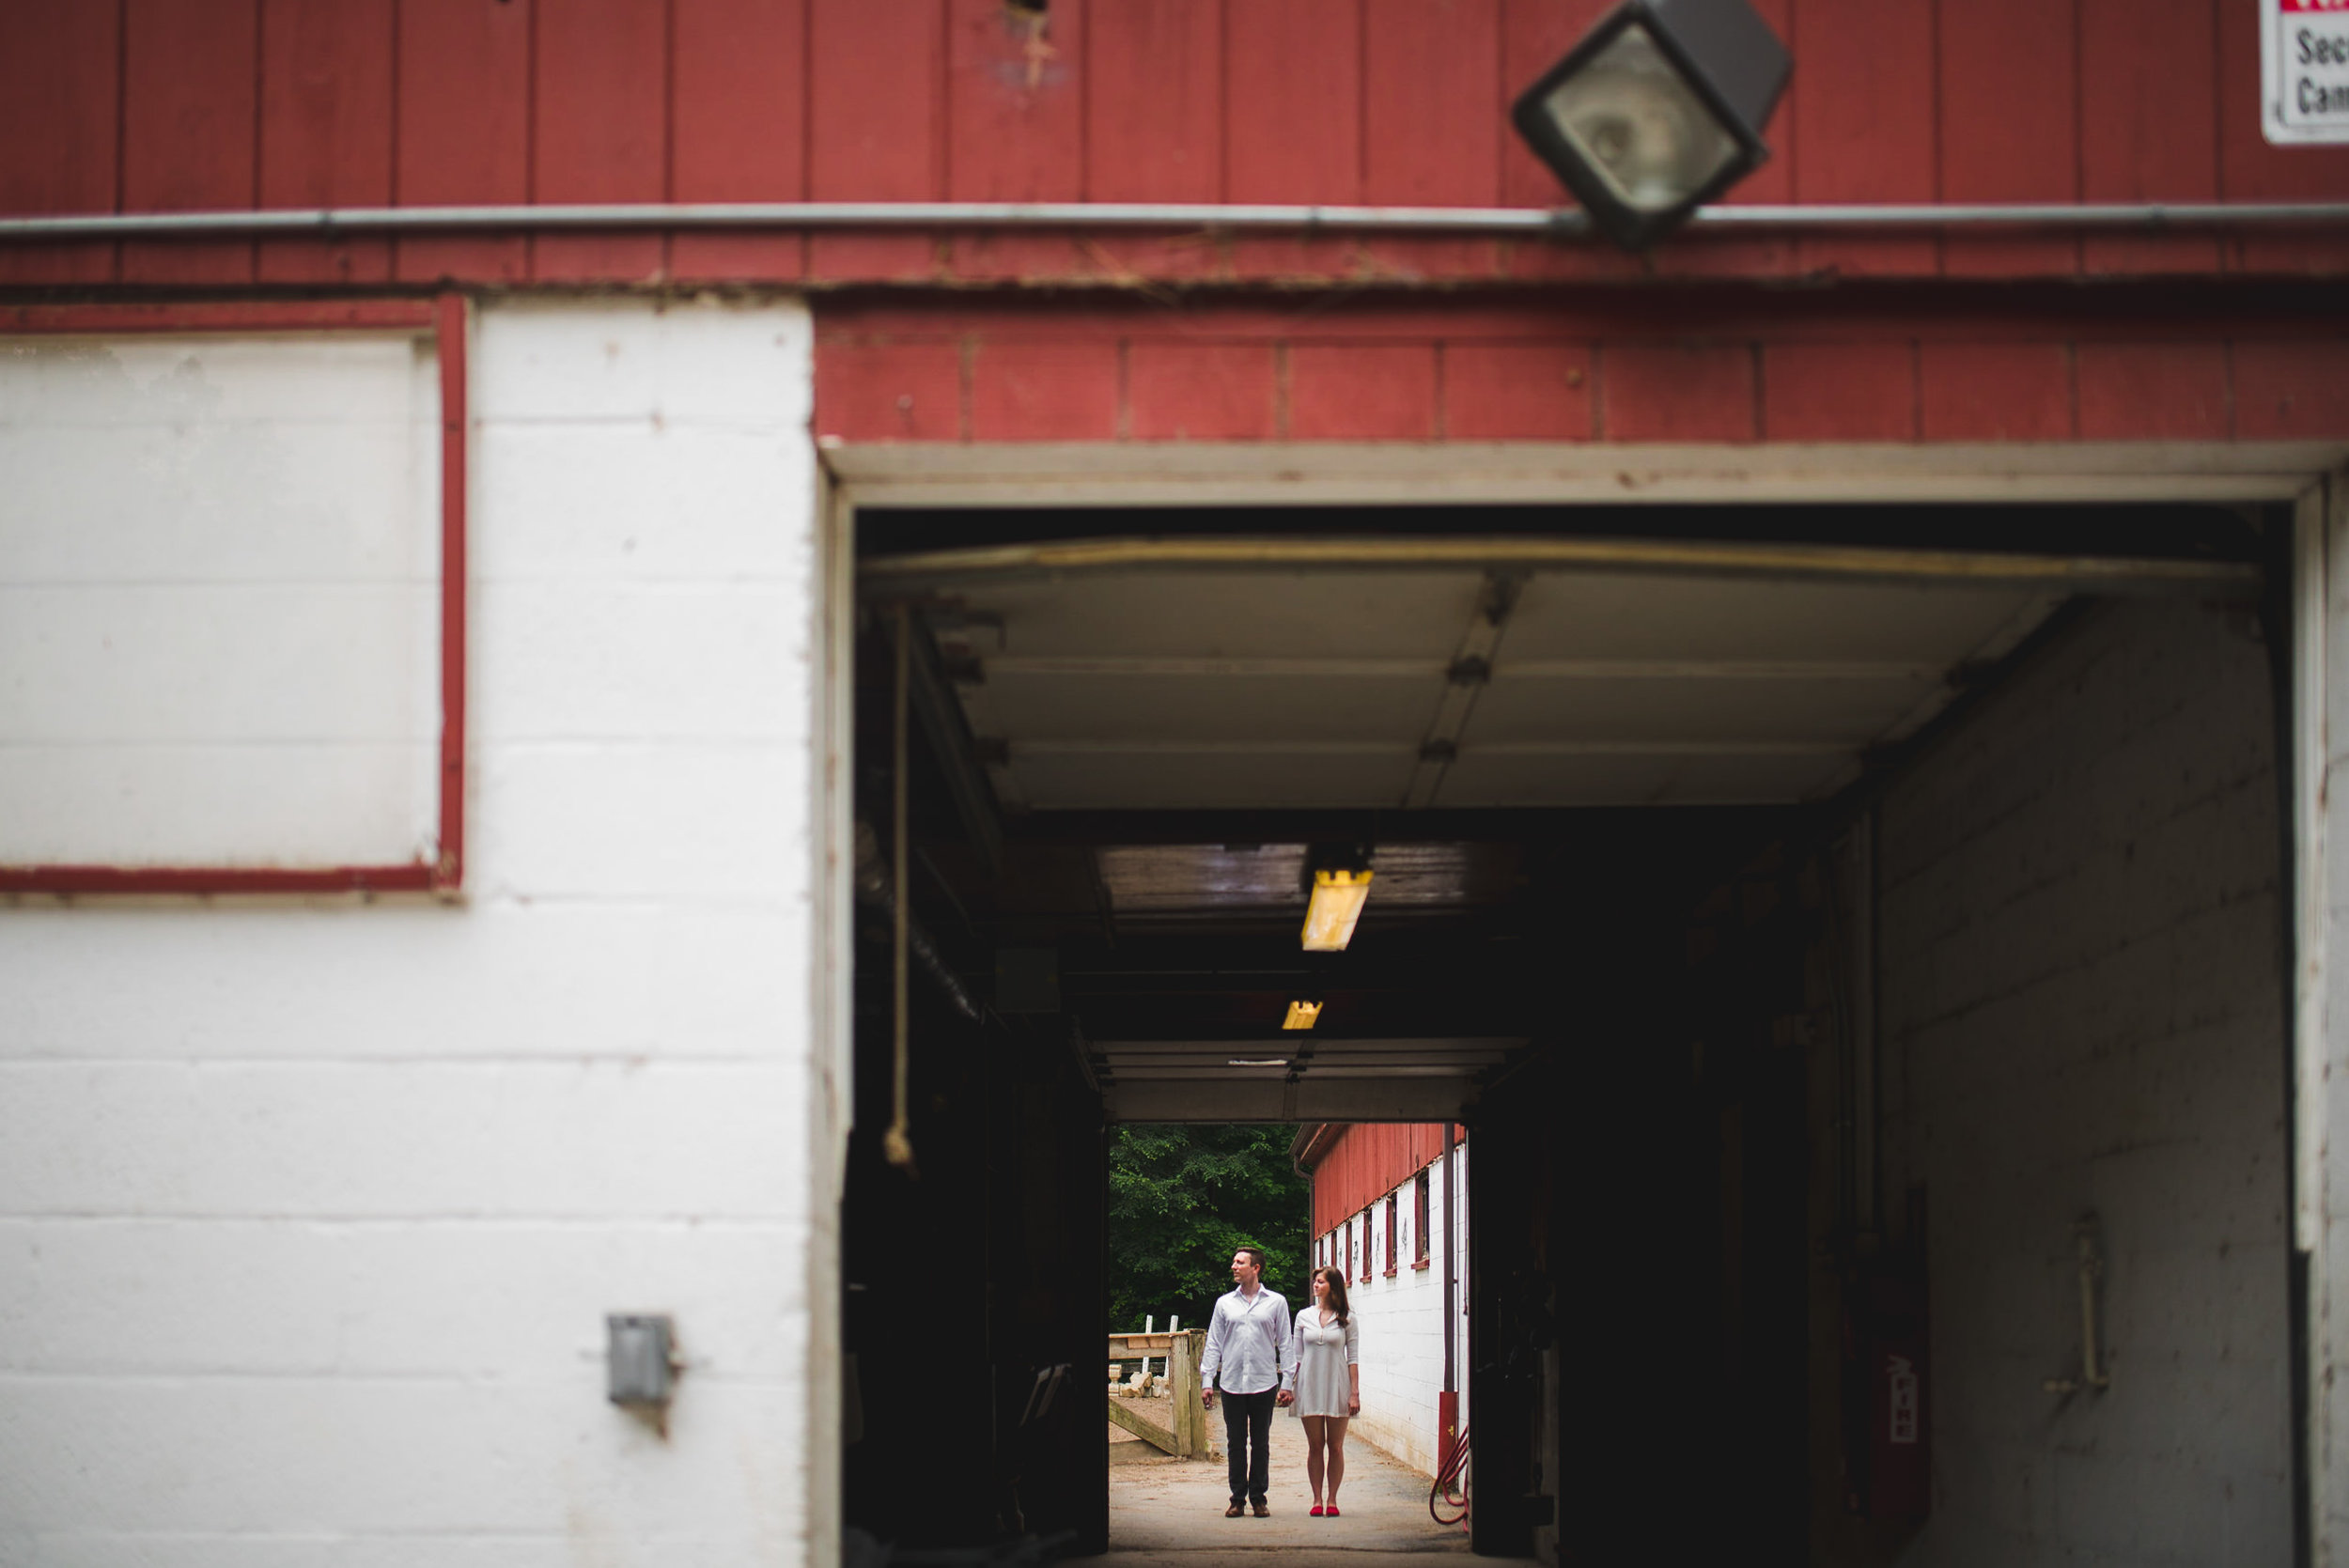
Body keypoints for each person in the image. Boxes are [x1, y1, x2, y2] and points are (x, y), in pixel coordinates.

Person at [1199, 1245, 1293, 1517]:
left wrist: (1287, 1381)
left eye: (1240, 1262)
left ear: (1256, 1268)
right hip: (1232, 1383)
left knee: (1261, 1442)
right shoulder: (1224, 1303)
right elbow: (1214, 1343)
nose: (1234, 1266)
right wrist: (1208, 1380)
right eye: (1233, 1262)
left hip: (1264, 1382)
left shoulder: (1276, 1302)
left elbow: (1285, 1343)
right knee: (1235, 1442)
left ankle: (1259, 1497)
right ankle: (1237, 1498)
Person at [1288, 1265, 1362, 1517]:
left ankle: (1332, 1499)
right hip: (1309, 1385)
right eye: (1315, 1282)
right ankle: (1317, 1498)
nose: (1315, 1286)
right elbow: (1296, 1356)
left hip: (1337, 1386)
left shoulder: (1348, 1319)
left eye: (1320, 1282)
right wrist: (1289, 1386)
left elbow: (1352, 1358)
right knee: (1315, 1445)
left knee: (1336, 1445)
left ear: (1333, 1286)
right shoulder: (1303, 1317)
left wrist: (1354, 1393)